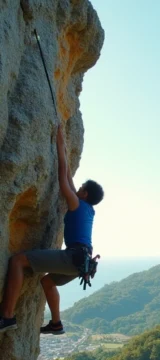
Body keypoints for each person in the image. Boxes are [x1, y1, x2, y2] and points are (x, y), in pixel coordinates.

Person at [0, 124, 104, 334]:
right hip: (82, 263)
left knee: (18, 261)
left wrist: (60, 145)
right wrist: (64, 146)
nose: (79, 188)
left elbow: (63, 177)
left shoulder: (76, 204)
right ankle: (56, 323)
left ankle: (7, 316)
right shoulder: (88, 209)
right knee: (47, 280)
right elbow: (71, 183)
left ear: (83, 194)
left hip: (73, 257)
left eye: (82, 188)